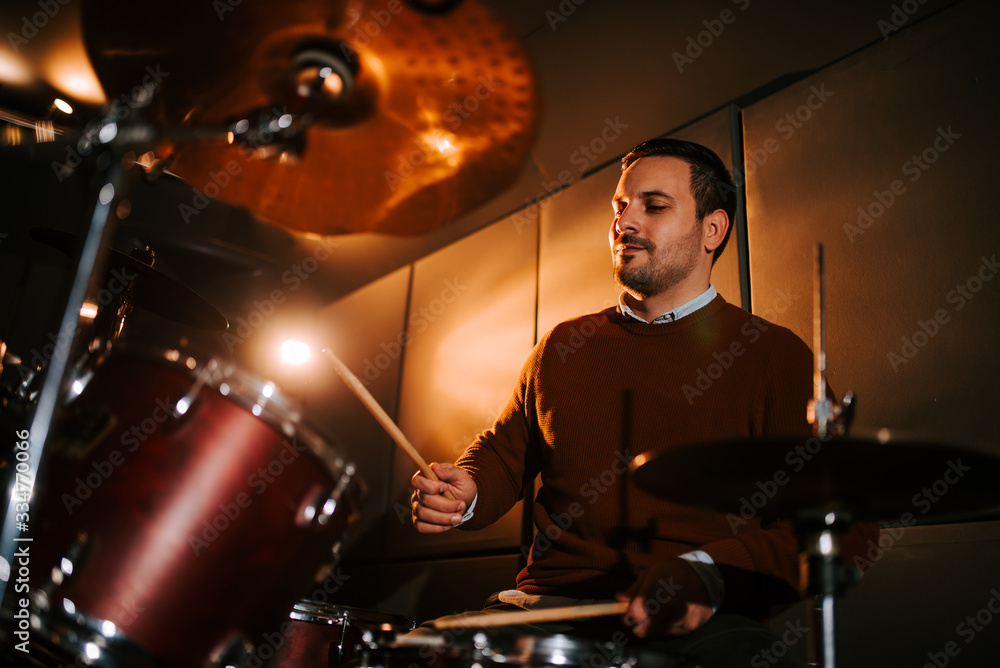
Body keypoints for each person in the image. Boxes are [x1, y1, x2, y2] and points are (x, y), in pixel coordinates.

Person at [410, 137, 866, 664]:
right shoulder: (561, 346)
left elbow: (846, 525)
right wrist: (466, 491)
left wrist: (708, 572)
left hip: (696, 622)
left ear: (712, 230)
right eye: (620, 207)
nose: (625, 222)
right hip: (544, 607)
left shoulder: (774, 356)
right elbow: (503, 453)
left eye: (654, 206)